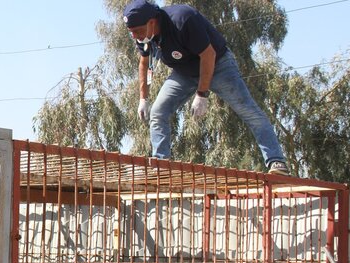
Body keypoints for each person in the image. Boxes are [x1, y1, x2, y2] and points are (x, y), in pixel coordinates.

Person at [123, 0, 290, 175]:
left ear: (152, 21)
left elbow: (208, 54)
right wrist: (143, 98)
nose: (134, 36)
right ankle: (161, 168)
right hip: (184, 73)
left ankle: (277, 162)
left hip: (218, 66)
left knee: (248, 110)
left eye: (137, 31)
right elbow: (144, 62)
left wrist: (202, 94)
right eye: (131, 32)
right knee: (158, 112)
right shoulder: (143, 35)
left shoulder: (182, 19)